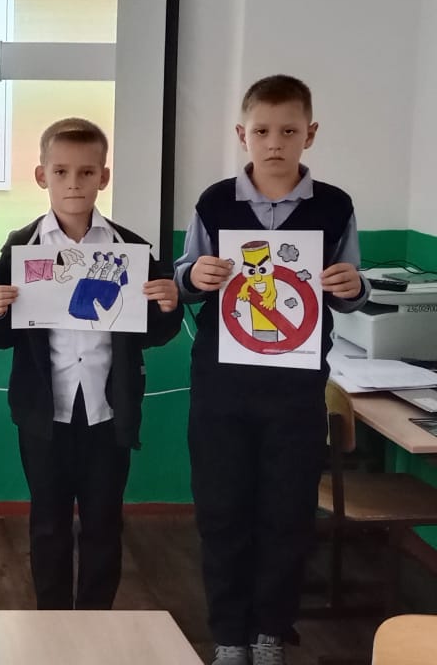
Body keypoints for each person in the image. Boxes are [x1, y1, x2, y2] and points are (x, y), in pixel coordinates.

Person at [174, 76, 367, 665]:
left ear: (311, 133)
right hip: (222, 390)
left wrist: (353, 286)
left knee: (287, 514)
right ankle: (229, 636)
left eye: (288, 130)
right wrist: (194, 277)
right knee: (222, 511)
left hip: (295, 392)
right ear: (243, 135)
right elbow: (186, 275)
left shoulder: (335, 206)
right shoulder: (215, 201)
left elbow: (349, 289)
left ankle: (269, 633)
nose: (275, 142)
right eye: (262, 131)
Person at [0, 117, 182, 612]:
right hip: (43, 413)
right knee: (47, 523)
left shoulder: (131, 249)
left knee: (103, 523)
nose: (74, 183)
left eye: (87, 172)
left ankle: (96, 620)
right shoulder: (21, 247)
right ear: (42, 176)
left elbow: (154, 333)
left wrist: (168, 305)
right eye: (62, 171)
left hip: (108, 413)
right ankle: (52, 620)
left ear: (103, 177)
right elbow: (0, 339)